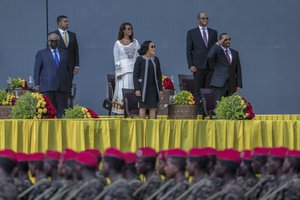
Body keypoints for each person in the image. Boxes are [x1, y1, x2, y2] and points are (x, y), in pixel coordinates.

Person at [186, 11, 218, 114]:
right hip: (197, 66)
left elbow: (215, 50)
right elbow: (188, 50)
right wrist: (190, 65)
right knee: (198, 89)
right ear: (198, 19)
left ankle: (208, 111)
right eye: (203, 18)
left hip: (210, 66)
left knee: (208, 90)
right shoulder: (191, 32)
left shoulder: (213, 32)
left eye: (207, 18)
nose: (205, 20)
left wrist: (216, 64)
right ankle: (200, 112)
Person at [34, 33, 72, 118]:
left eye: (55, 41)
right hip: (47, 87)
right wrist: (37, 84)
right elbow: (37, 71)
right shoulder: (41, 53)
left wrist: (69, 85)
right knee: (46, 113)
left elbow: (69, 71)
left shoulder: (65, 53)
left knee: (62, 113)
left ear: (59, 41)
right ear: (48, 41)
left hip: (62, 88)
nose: (53, 42)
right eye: (51, 41)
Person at [51, 15, 79, 107]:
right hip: (58, 66)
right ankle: (58, 107)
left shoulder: (72, 35)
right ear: (59, 23)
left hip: (70, 67)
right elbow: (49, 51)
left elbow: (76, 51)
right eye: (65, 21)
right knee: (59, 87)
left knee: (68, 87)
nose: (67, 23)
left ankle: (68, 107)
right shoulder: (53, 35)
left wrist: (76, 65)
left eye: (68, 21)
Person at [112, 22, 140, 114]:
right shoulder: (118, 43)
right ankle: (122, 111)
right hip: (123, 73)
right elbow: (116, 59)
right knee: (122, 91)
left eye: (130, 29)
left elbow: (139, 57)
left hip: (134, 71)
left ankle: (133, 110)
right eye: (128, 29)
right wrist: (118, 73)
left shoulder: (135, 42)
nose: (130, 30)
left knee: (133, 90)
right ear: (123, 30)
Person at [207, 33, 243, 101]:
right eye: (225, 39)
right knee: (218, 106)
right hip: (219, 84)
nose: (227, 41)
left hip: (232, 84)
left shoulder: (235, 53)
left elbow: (238, 69)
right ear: (220, 40)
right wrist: (217, 44)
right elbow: (209, 56)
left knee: (231, 106)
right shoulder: (217, 51)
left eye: (229, 39)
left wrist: (239, 85)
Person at [133, 41, 162, 119]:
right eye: (152, 47)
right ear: (147, 48)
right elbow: (135, 75)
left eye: (154, 46)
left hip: (153, 88)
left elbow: (159, 76)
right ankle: (142, 128)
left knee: (153, 108)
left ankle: (152, 128)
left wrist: (160, 89)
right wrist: (137, 89)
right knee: (142, 107)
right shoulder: (139, 59)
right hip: (142, 88)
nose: (154, 48)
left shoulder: (156, 59)